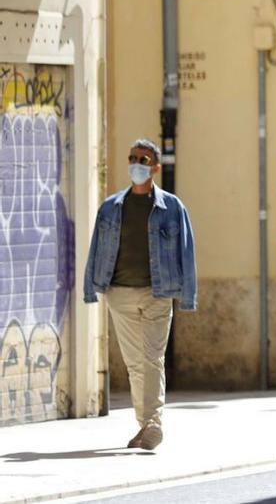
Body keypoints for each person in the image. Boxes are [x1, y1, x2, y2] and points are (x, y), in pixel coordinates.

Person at [83, 139, 197, 450]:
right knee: (134, 362)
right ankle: (144, 423)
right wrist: (91, 289)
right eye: (132, 158)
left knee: (152, 358)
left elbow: (186, 252)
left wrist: (187, 295)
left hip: (157, 293)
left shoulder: (172, 208)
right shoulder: (110, 207)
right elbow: (96, 250)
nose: (136, 164)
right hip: (119, 294)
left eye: (143, 159)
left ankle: (153, 422)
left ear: (156, 167)